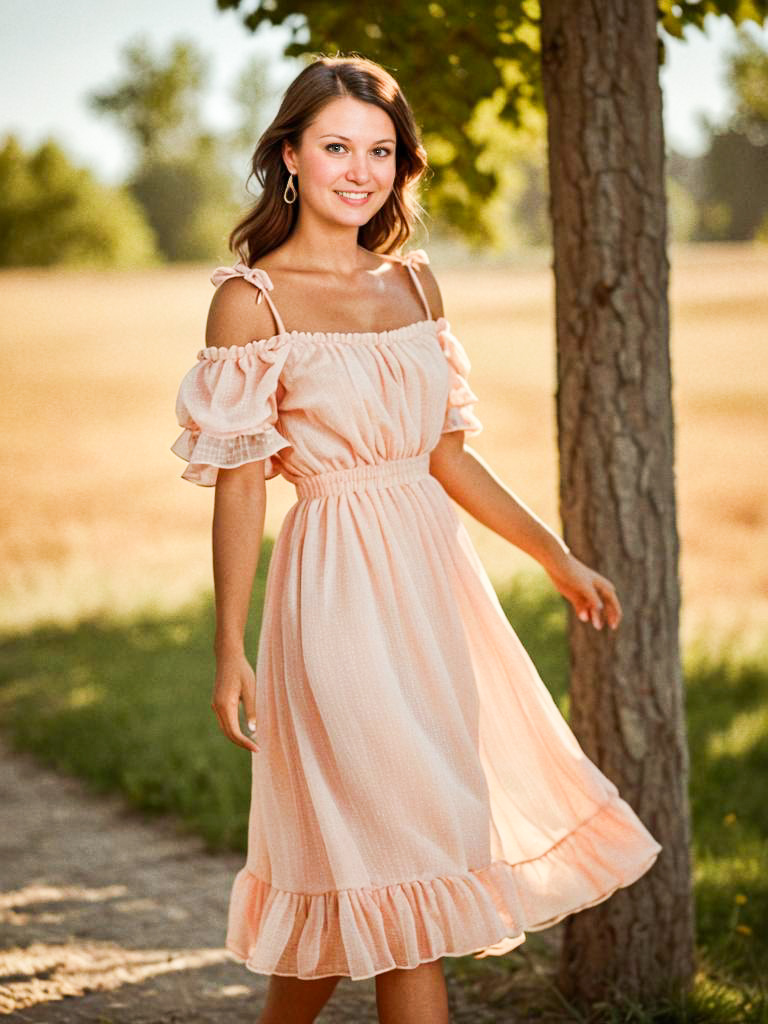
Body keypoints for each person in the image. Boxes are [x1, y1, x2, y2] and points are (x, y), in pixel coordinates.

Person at [171, 54, 662, 1024]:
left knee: (375, 866)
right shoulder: (250, 301)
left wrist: (552, 552)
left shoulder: (417, 287)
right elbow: (237, 493)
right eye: (337, 146)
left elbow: (447, 457)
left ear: (403, 166)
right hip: (333, 605)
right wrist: (230, 647)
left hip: (437, 599)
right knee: (414, 879)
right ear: (291, 156)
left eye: (381, 151)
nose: (360, 170)